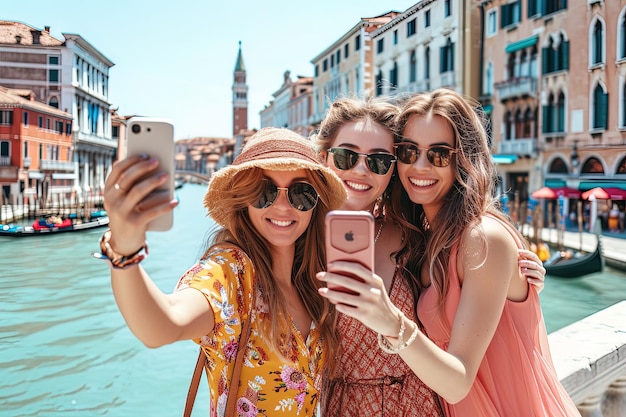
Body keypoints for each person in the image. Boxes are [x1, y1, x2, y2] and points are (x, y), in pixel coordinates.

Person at [317, 89, 580, 417]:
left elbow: (458, 380)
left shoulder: (482, 238)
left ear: (464, 158)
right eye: (409, 151)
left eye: (439, 154)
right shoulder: (424, 239)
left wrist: (388, 319)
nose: (420, 166)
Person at [96, 127, 347, 417]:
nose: (282, 206)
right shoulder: (231, 273)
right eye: (264, 192)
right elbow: (165, 324)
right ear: (244, 199)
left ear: (315, 204)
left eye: (301, 193)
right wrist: (124, 251)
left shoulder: (314, 281)